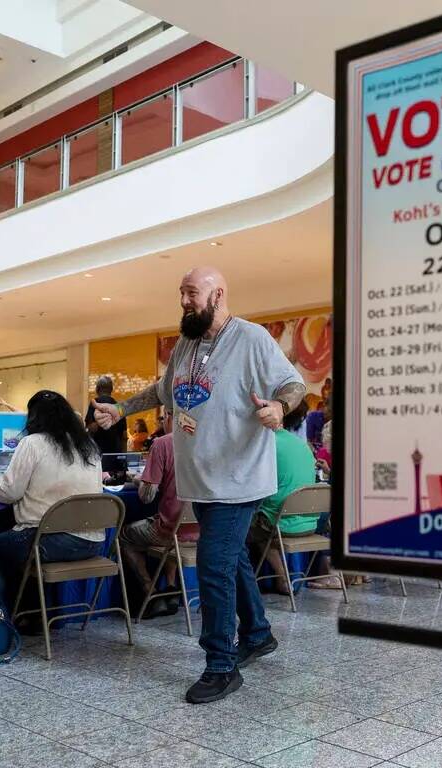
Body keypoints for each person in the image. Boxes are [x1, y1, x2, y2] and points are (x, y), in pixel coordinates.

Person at [94, 265, 305, 704]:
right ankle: (259, 633)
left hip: (238, 478)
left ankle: (221, 665)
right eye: (181, 293)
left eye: (192, 293)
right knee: (232, 562)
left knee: (212, 566)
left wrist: (279, 409)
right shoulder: (186, 344)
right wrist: (122, 410)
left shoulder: (251, 339)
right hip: (200, 480)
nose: (184, 301)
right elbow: (163, 390)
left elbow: (293, 383)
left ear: (217, 294)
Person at [0, 390, 105, 614]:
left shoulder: (32, 443)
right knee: (20, 546)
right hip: (93, 541)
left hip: (50, 541)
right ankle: (34, 615)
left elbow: (10, 492)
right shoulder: (89, 446)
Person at [119, 410, 200, 618]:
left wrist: (140, 480)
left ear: (172, 416)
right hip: (203, 530)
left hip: (169, 532)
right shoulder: (211, 441)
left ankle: (150, 592)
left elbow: (146, 497)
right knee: (175, 527)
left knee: (125, 535)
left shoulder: (163, 443)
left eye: (163, 418)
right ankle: (171, 587)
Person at [246, 401, 322, 593]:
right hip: (310, 523)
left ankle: (281, 577)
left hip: (280, 525)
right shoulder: (303, 445)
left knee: (246, 527)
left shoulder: (266, 445)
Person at [85, 376, 127, 456]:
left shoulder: (94, 404)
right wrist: (124, 456)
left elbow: (91, 428)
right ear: (111, 389)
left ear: (97, 388)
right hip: (115, 453)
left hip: (98, 452)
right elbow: (124, 435)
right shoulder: (119, 406)